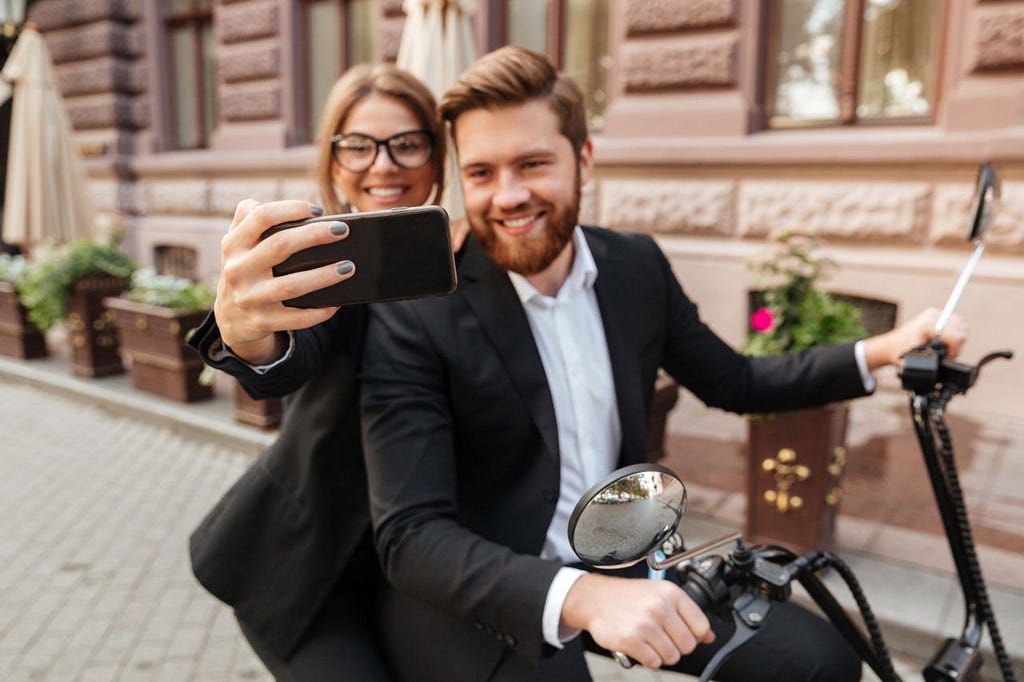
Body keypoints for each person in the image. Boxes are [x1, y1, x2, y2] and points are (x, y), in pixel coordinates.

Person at [357, 46, 969, 682]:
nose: (507, 196)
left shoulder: (635, 267)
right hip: (492, 593)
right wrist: (583, 597)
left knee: (820, 661)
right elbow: (410, 535)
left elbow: (735, 381)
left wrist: (884, 349)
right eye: (481, 173)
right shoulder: (418, 309)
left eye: (533, 163)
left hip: (621, 558)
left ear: (583, 160)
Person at [186, 63, 454, 681]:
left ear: (436, 159)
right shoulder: (315, 272)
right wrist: (247, 333)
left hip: (418, 573)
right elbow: (284, 359)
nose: (382, 164)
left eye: (406, 143)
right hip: (302, 568)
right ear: (333, 164)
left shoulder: (468, 272)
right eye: (357, 146)